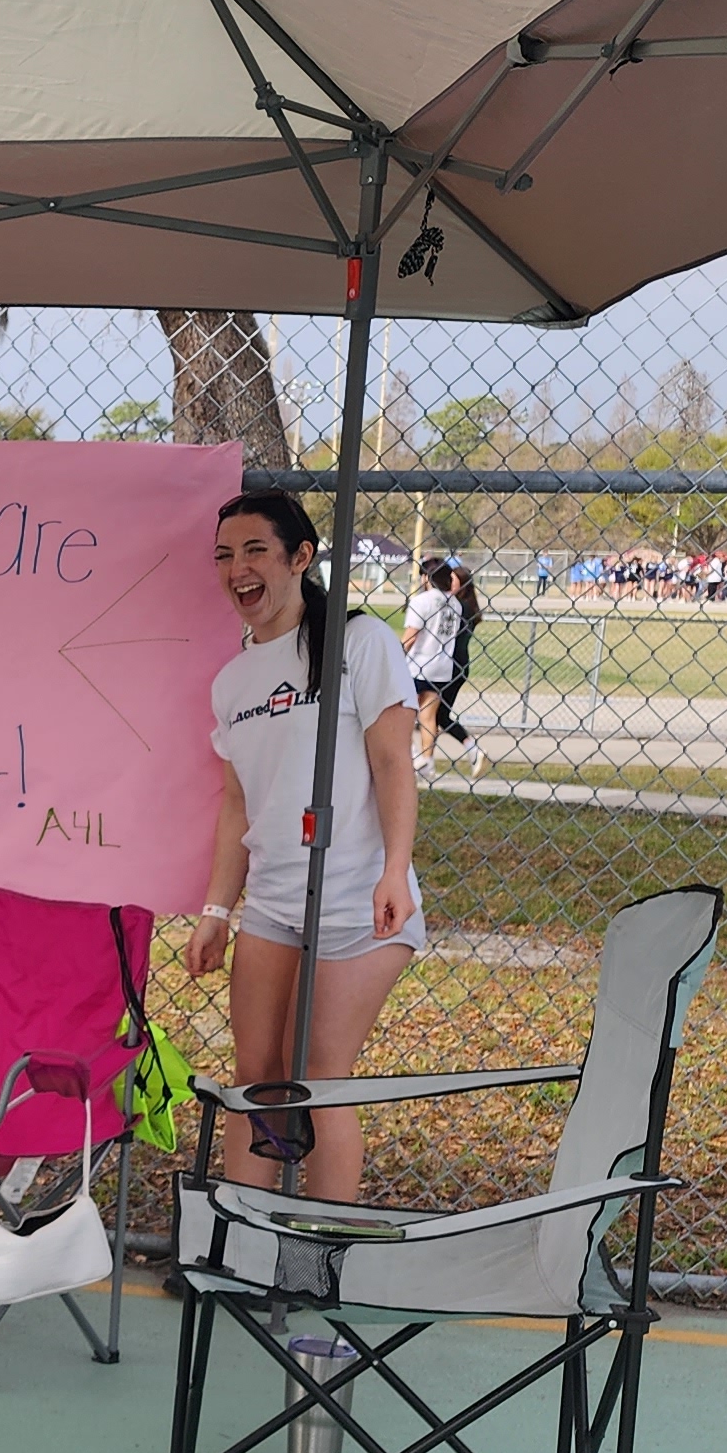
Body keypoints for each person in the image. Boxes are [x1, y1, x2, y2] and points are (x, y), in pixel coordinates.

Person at [189, 488, 425, 1205]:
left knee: (319, 1079)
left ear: (300, 557)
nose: (238, 570)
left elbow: (394, 764)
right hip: (273, 906)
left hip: (358, 901)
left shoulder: (359, 641)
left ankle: (320, 1248)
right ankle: (243, 1240)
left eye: (255, 550)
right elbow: (238, 805)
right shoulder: (232, 682)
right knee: (256, 1078)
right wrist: (216, 911)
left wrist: (394, 870)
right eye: (224, 555)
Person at [403, 555, 477, 764]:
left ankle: (413, 754)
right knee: (428, 716)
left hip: (418, 665)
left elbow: (411, 637)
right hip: (442, 667)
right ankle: (427, 760)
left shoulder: (421, 601)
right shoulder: (454, 603)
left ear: (427, 577)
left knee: (404, 714)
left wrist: (397, 656)